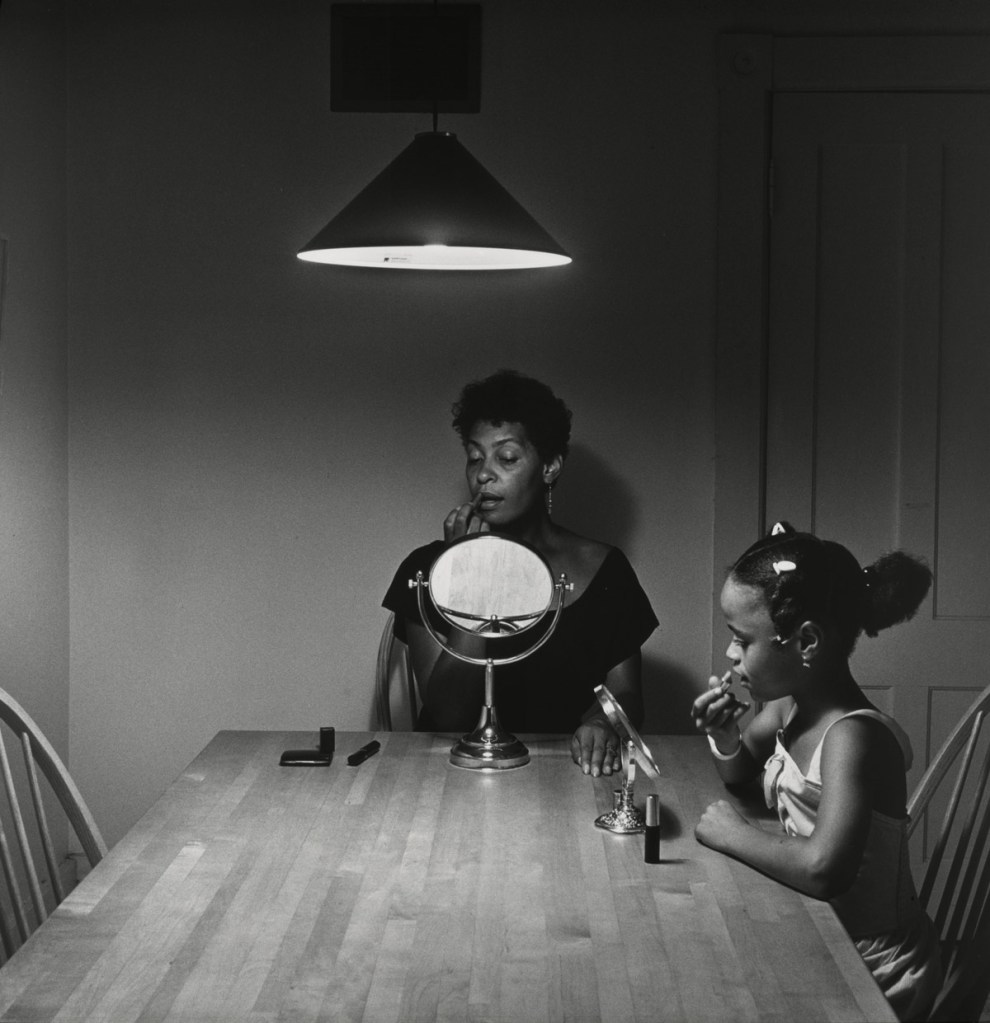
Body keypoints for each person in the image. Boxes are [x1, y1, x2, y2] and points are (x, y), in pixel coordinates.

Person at [691, 521, 941, 1022]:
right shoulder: (788, 707)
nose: (730, 654)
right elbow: (740, 776)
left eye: (743, 639)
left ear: (805, 641)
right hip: (822, 926)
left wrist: (731, 834)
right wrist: (724, 736)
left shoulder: (852, 737)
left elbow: (825, 869)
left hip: (874, 964)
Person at [382, 369, 658, 777]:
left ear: (549, 467)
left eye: (506, 458)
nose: (483, 473)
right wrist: (469, 580)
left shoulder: (603, 568)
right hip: (454, 775)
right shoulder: (428, 570)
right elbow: (446, 714)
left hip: (568, 775)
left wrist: (603, 722)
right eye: (474, 458)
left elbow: (628, 693)